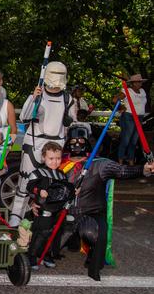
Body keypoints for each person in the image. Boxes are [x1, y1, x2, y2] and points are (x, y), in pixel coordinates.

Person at [55, 125, 154, 281]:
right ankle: (68, 242)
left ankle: (93, 263)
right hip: (61, 215)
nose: (77, 144)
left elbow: (123, 171)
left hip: (89, 214)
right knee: (44, 242)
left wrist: (144, 169)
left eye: (81, 140)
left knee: (95, 234)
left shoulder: (100, 164)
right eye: (73, 141)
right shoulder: (57, 163)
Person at [9, 61, 74, 227]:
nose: (58, 79)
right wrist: (34, 98)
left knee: (53, 182)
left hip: (56, 144)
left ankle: (50, 214)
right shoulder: (37, 95)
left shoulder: (68, 99)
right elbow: (24, 117)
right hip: (34, 142)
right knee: (25, 179)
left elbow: (69, 123)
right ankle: (17, 214)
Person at [25, 142, 73, 269]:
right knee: (41, 234)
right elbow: (29, 187)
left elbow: (65, 190)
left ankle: (47, 255)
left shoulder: (61, 175)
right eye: (51, 158)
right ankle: (32, 256)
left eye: (58, 158)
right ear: (43, 158)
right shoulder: (38, 173)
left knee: (55, 234)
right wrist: (39, 191)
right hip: (44, 209)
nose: (54, 162)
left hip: (58, 211)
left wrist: (73, 192)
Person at [116, 74, 149, 165]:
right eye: (138, 82)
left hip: (140, 117)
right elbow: (115, 99)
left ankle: (131, 162)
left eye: (140, 81)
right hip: (129, 116)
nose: (140, 83)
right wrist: (121, 107)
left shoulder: (142, 91)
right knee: (126, 140)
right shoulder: (127, 91)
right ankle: (120, 163)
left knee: (134, 141)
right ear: (133, 83)